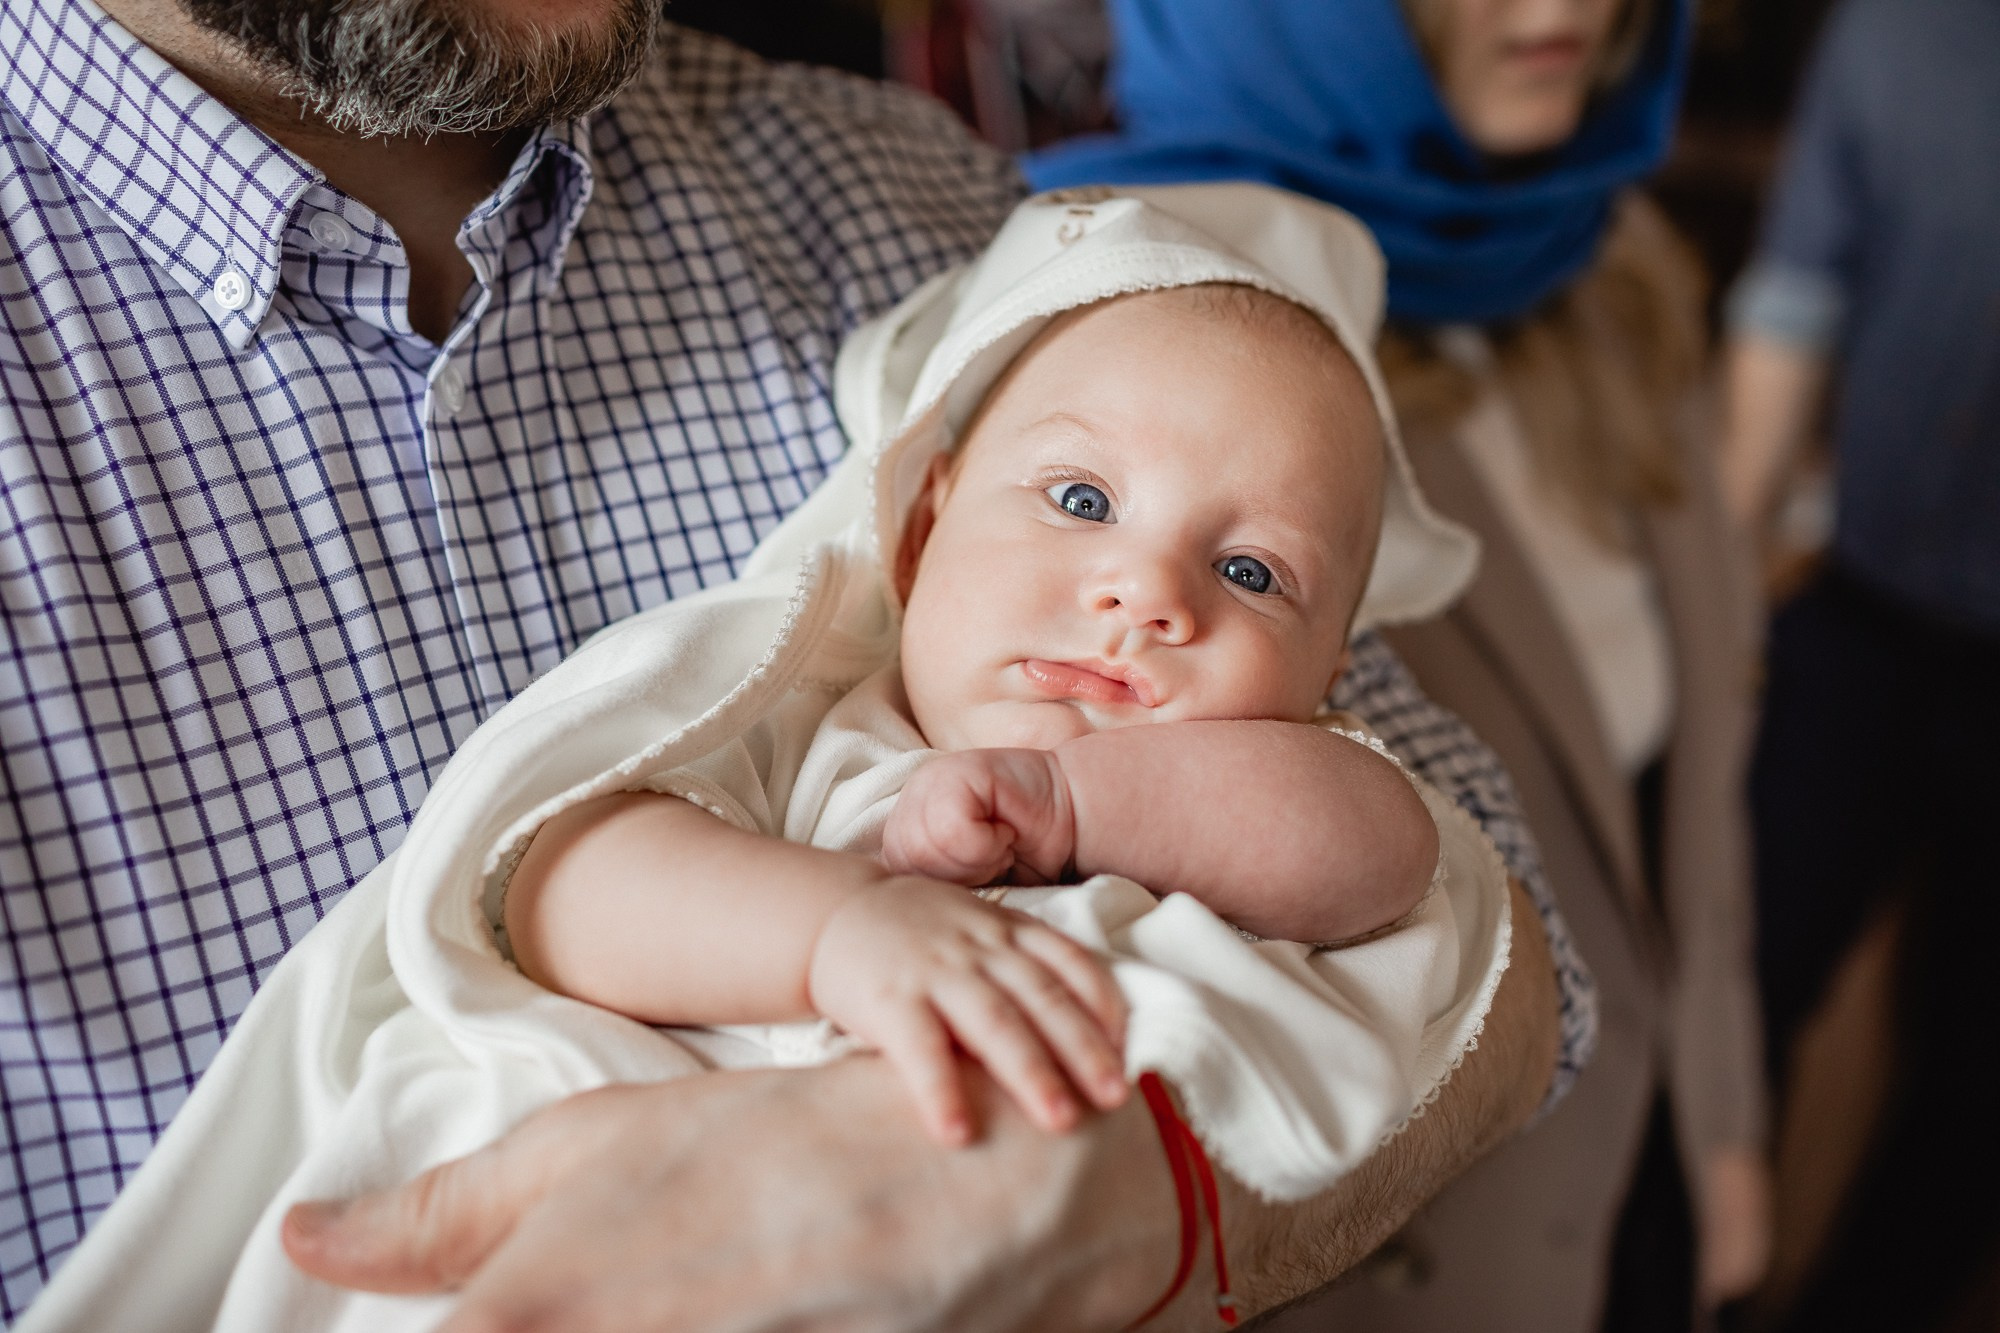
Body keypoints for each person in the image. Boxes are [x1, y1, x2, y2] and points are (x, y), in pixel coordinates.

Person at [0, 0, 1584, 1325]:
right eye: (1083, 506)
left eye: (1243, 573)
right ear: (920, 526)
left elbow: (1476, 913)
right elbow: (543, 871)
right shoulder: (825, 720)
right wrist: (842, 930)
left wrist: (1087, 1181)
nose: (1144, 597)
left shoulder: (937, 224)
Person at [1028, 1, 1769, 1330]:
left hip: (1628, 1169)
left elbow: (1690, 781)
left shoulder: (1603, 251)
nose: (1565, 13)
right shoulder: (1130, 311)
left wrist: (1721, 1110)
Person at [1719, 1, 2000, 1328]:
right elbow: (1792, 305)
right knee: (1738, 963)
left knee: (1979, 1070)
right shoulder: (1899, 32)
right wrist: (1717, 606)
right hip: (1869, 607)